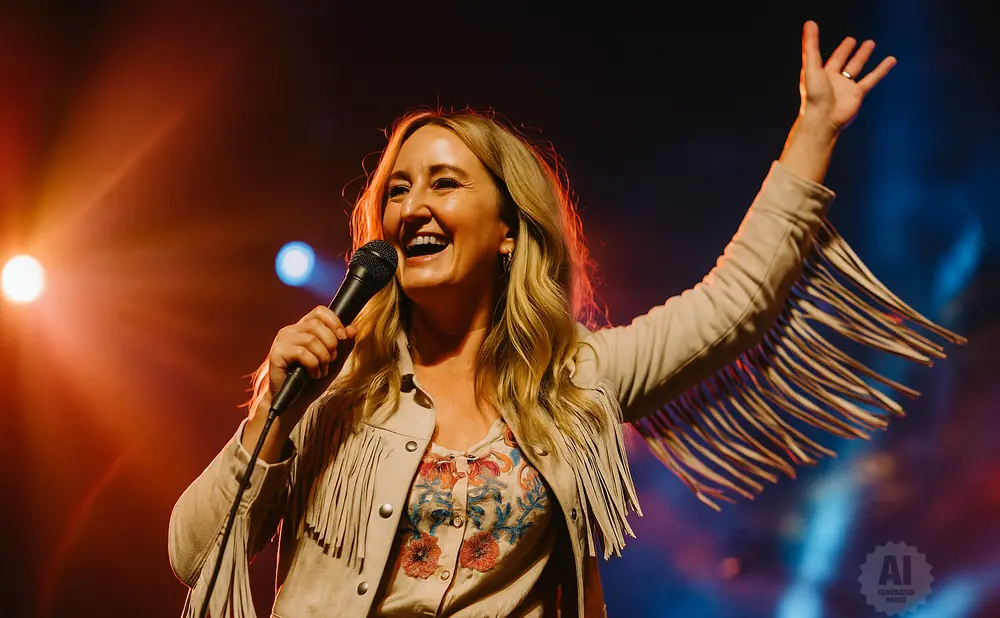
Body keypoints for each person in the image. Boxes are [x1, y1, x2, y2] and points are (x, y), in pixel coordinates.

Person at [168, 21, 964, 618]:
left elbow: (736, 300)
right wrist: (270, 419)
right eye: (398, 189)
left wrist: (814, 130)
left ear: (509, 230)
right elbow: (192, 553)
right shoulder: (338, 384)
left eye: (444, 184)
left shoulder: (578, 382)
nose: (413, 206)